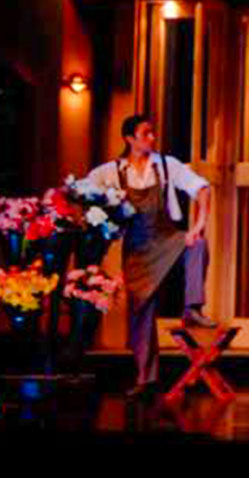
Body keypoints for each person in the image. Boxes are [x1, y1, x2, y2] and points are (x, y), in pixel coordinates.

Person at [81, 113, 214, 397]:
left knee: (198, 245)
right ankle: (145, 378)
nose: (152, 138)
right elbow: (83, 192)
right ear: (130, 139)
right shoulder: (112, 171)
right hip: (138, 249)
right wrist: (103, 219)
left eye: (153, 133)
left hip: (167, 239)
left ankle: (192, 309)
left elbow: (202, 188)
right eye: (146, 133)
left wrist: (198, 226)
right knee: (141, 312)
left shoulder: (166, 165)